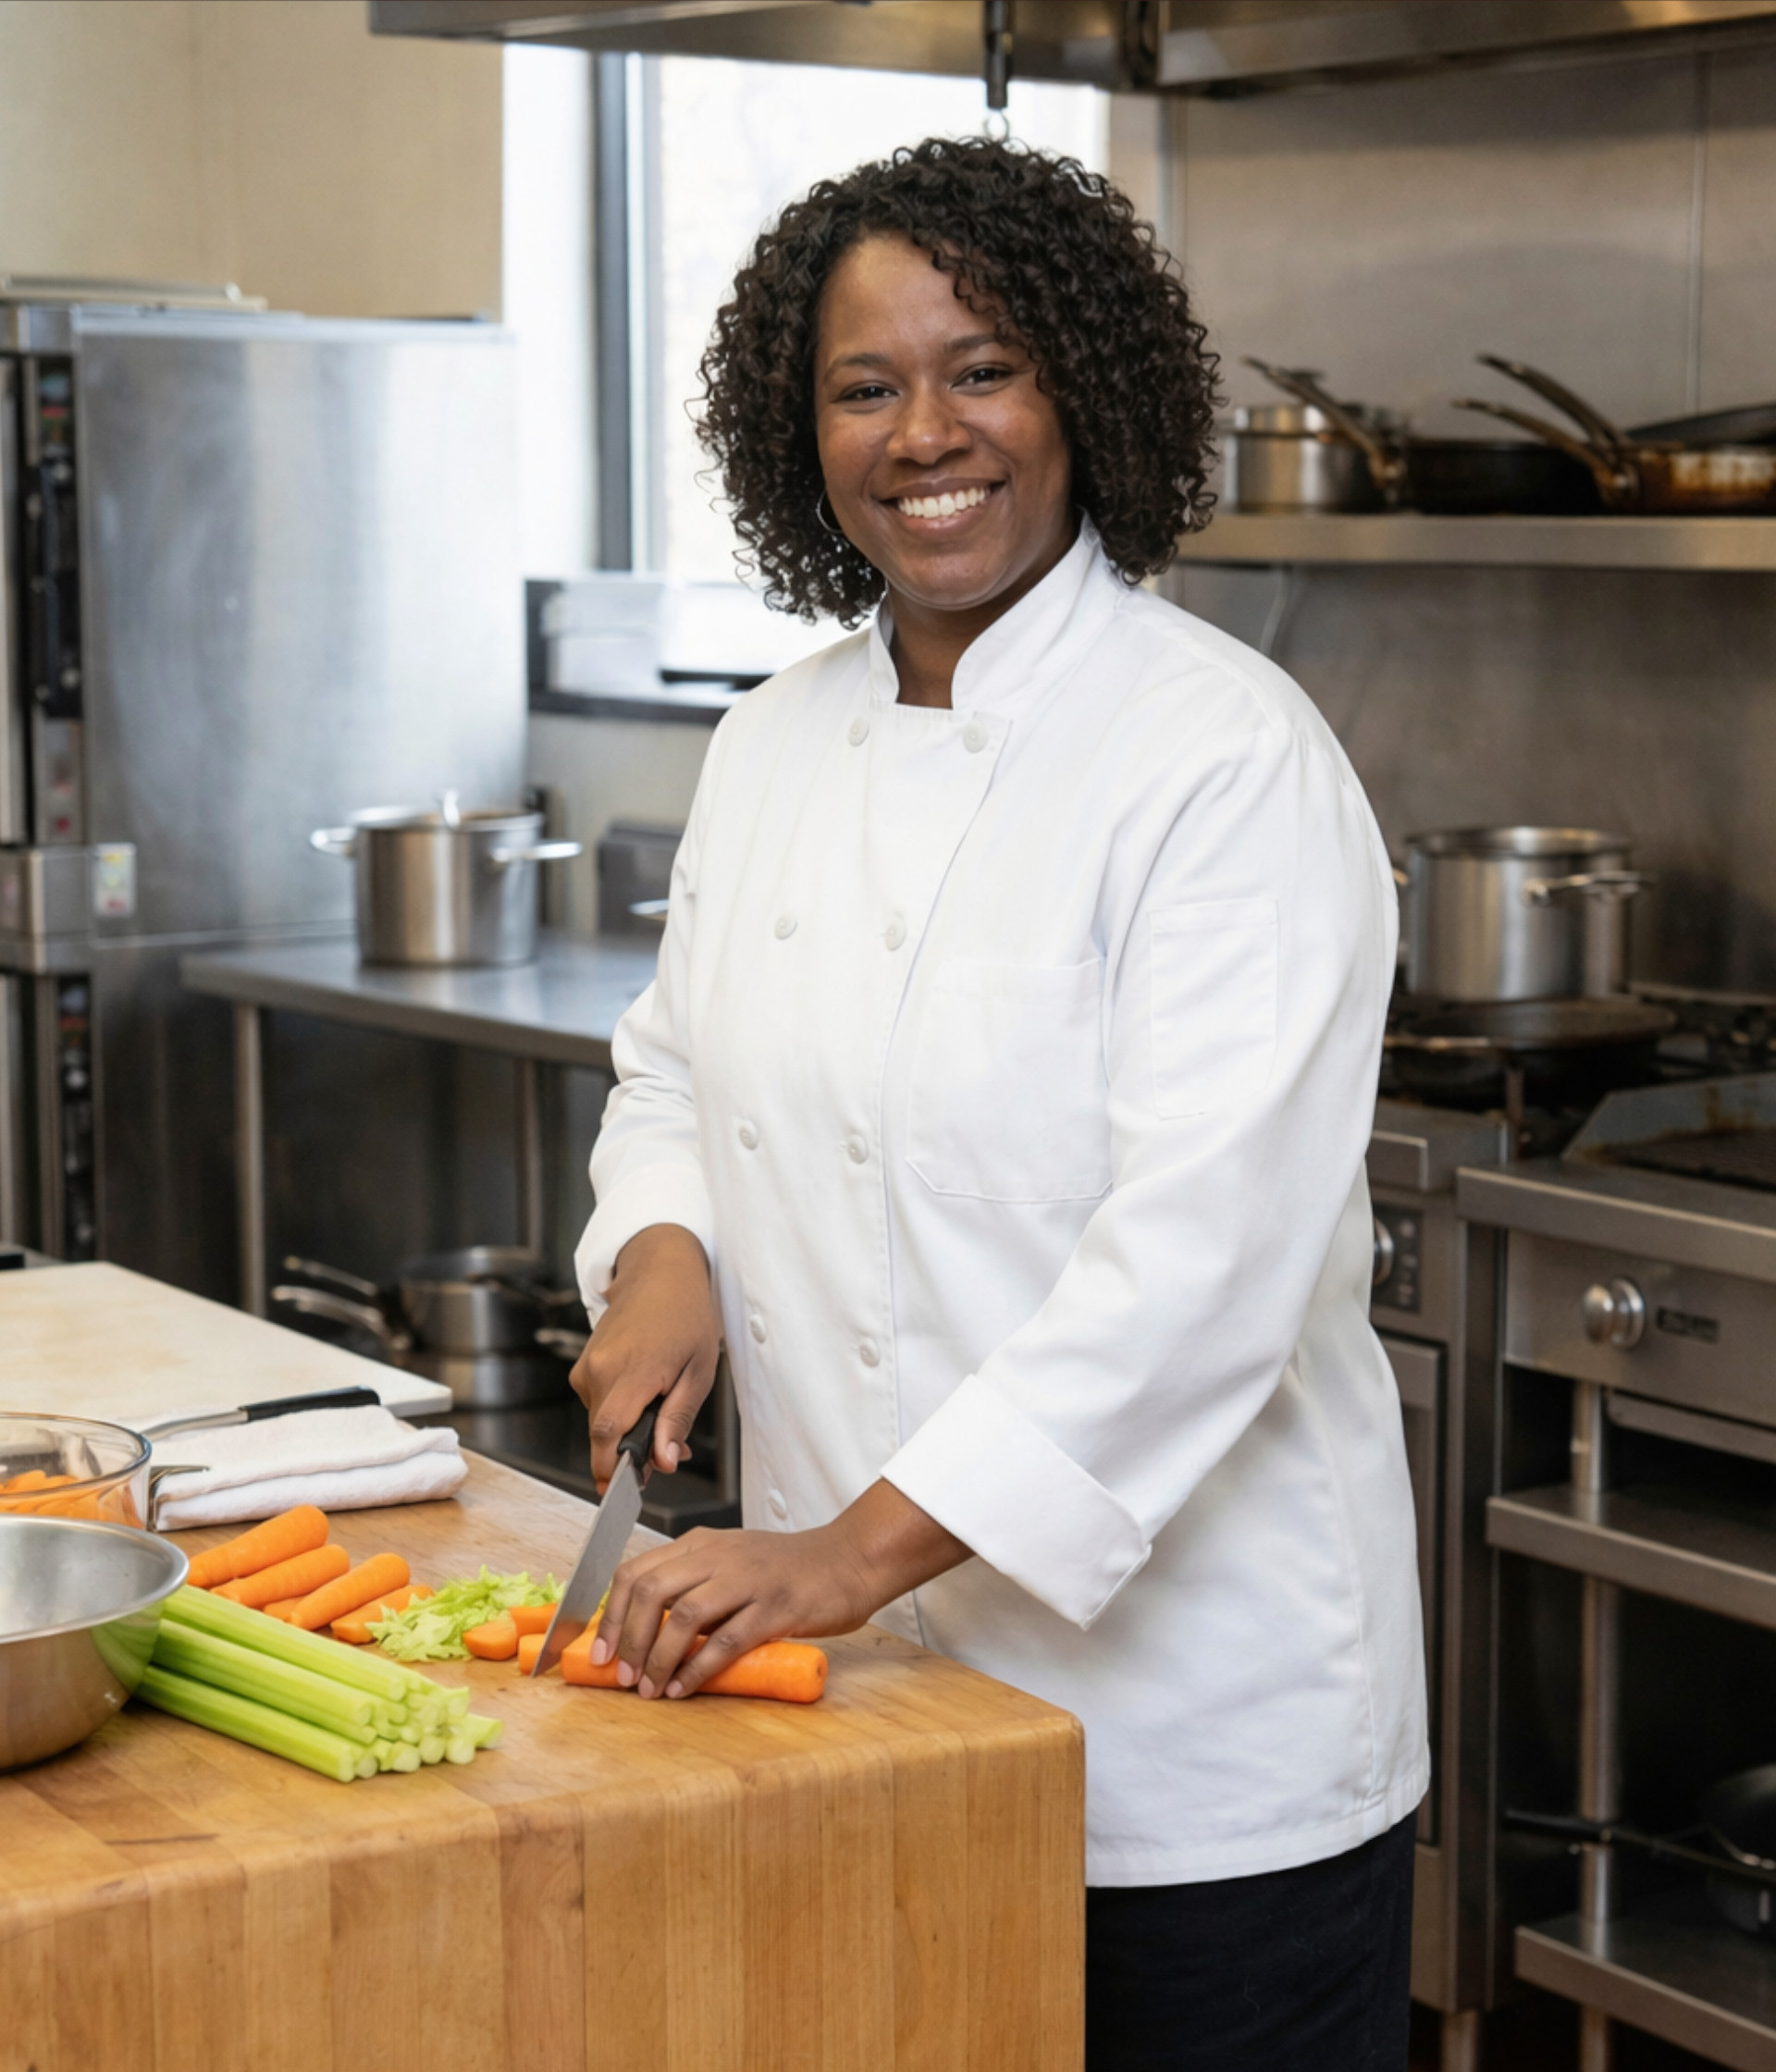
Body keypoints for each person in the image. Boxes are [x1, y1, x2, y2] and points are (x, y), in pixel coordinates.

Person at [570, 136, 1426, 2072]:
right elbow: (681, 1069)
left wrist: (837, 1554)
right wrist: (664, 1254)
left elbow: (1193, 1275)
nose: (923, 434)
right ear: (806, 437)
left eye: (984, 369)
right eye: (866, 387)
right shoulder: (775, 739)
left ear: (1083, 396)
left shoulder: (1222, 758)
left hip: (1187, 1753)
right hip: (856, 1703)